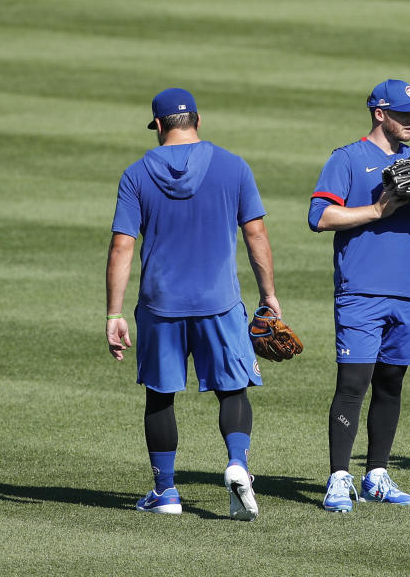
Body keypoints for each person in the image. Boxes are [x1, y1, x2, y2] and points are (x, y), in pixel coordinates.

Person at [106, 87, 281, 520]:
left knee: (160, 396)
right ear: (198, 121)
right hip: (219, 302)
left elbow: (122, 246)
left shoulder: (136, 174)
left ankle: (165, 492)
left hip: (160, 305)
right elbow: (255, 234)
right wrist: (269, 296)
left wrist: (113, 312)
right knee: (232, 389)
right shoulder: (233, 166)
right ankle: (238, 463)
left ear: (160, 126)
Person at [308, 79, 410, 512]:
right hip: (361, 293)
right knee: (353, 384)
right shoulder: (348, 160)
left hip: (408, 294)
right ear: (379, 113)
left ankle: (376, 475)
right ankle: (339, 479)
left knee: (391, 384)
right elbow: (319, 216)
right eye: (403, 113)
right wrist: (376, 211)